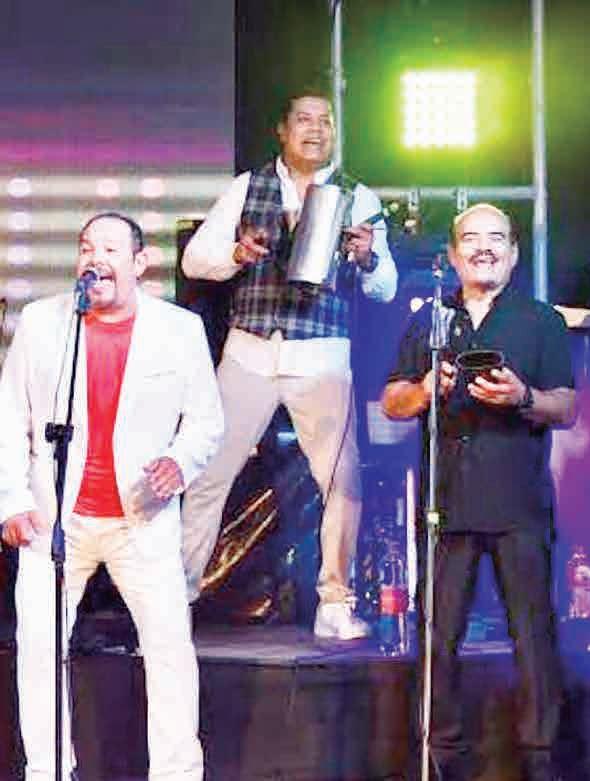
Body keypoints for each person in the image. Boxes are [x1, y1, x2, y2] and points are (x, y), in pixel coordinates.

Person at [0, 213, 224, 780]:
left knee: (169, 650)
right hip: (56, 517)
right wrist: (11, 499)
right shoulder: (43, 322)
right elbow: (9, 415)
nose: (94, 259)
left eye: (109, 249)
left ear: (139, 263)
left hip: (141, 517)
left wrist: (178, 461)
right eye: (85, 248)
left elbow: (206, 421)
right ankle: (48, 770)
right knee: (39, 647)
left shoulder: (179, 330)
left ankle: (177, 773)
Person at [180, 90, 398, 639]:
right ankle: (175, 598)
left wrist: (368, 257)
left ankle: (335, 602)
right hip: (250, 350)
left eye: (326, 121)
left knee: (343, 482)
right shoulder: (247, 188)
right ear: (282, 130)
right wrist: (236, 254)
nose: (316, 129)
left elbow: (386, 287)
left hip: (321, 356)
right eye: (304, 119)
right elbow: (194, 261)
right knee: (205, 475)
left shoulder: (358, 197)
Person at [382, 204, 575, 781]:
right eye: (471, 238)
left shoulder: (541, 321)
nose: (483, 248)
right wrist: (425, 389)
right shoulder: (431, 320)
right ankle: (440, 753)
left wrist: (522, 397)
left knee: (532, 637)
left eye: (496, 238)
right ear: (452, 254)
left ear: (514, 253)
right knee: (438, 637)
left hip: (519, 503)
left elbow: (566, 406)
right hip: (446, 504)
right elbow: (392, 401)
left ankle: (540, 755)